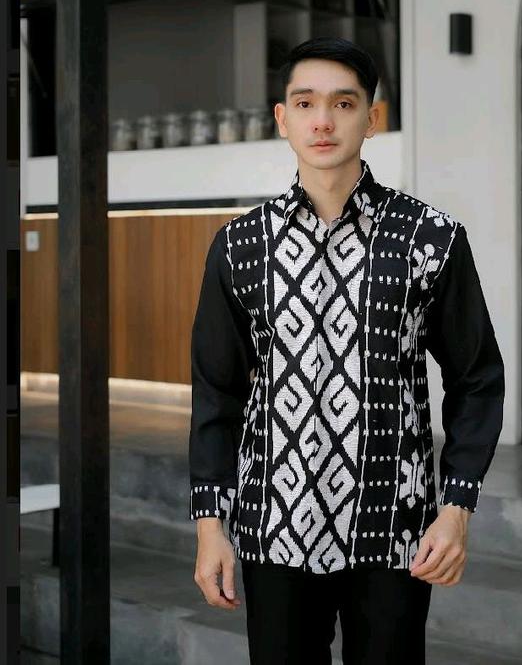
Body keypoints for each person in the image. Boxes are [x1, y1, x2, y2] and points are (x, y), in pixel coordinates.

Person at [188, 36, 505, 665]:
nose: (323, 121)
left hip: (393, 526)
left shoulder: (431, 238)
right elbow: (217, 394)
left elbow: (476, 378)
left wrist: (456, 509)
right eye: (305, 103)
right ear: (282, 118)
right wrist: (209, 527)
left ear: (372, 118)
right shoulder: (240, 247)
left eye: (343, 103)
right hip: (274, 525)